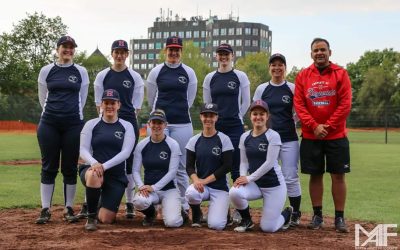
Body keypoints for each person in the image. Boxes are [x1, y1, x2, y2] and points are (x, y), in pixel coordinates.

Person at [294, 38, 352, 233]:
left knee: (338, 176)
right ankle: (317, 215)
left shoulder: (340, 73)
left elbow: (345, 104)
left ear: (330, 52)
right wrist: (313, 126)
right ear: (311, 54)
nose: (319, 53)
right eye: (316, 50)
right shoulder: (303, 75)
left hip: (336, 136)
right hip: (311, 136)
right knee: (315, 175)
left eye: (323, 50)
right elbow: (299, 105)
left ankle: (339, 218)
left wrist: (327, 126)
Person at [83, 39, 144, 219]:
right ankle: (92, 201)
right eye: (116, 52)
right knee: (98, 156)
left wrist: (124, 121)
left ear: (127, 55)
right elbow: (98, 104)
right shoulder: (103, 75)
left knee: (128, 162)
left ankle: (130, 202)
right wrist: (105, 119)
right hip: (106, 120)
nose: (119, 55)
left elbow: (137, 107)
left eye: (123, 52)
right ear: (112, 54)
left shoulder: (135, 76)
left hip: (127, 121)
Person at [36, 35, 89, 224]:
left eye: (71, 47)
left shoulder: (81, 71)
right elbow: (43, 98)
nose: (68, 50)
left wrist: (70, 116)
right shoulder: (46, 70)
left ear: (74, 50)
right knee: (48, 167)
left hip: (73, 125)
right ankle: (45, 209)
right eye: (64, 47)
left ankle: (68, 208)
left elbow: (81, 99)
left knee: (69, 167)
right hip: (49, 124)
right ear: (57, 49)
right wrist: (54, 113)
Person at [146, 36, 197, 219]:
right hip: (160, 123)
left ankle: (183, 205)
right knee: (158, 163)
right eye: (170, 49)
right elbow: (152, 99)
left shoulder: (189, 72)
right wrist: (159, 118)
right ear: (165, 50)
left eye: (177, 49)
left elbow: (189, 100)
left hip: (182, 122)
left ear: (181, 51)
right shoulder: (156, 71)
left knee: (181, 167)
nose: (173, 52)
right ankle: (157, 203)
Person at [203, 43, 250, 223]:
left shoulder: (240, 76)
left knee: (236, 167)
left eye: (226, 54)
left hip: (235, 127)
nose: (223, 57)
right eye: (220, 54)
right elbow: (208, 103)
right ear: (216, 56)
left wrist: (236, 115)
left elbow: (246, 102)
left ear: (232, 56)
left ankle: (239, 208)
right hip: (216, 127)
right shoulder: (210, 78)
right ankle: (220, 208)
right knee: (216, 167)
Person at [253, 53, 302, 227]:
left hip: (289, 137)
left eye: (280, 65)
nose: (277, 68)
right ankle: (272, 210)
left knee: (290, 176)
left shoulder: (292, 88)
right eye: (273, 65)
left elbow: (299, 112)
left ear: (285, 68)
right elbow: (256, 113)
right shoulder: (262, 89)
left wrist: (289, 122)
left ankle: (295, 212)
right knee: (266, 172)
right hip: (268, 140)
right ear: (269, 68)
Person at [229, 100, 293, 233]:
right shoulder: (244, 136)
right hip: (256, 184)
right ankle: (247, 221)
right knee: (235, 192)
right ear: (250, 116)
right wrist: (242, 177)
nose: (258, 117)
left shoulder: (273, 136)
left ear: (267, 116)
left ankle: (286, 215)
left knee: (268, 228)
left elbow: (269, 163)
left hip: (273, 185)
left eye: (262, 114)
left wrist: (249, 178)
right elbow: (244, 162)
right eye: (255, 114)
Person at [79, 89, 135, 231]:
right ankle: (91, 217)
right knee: (93, 174)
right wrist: (94, 163)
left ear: (119, 105)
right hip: (93, 169)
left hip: (116, 175)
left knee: (106, 219)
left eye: (113, 103)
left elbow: (126, 153)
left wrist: (104, 166)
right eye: (106, 103)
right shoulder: (91, 124)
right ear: (101, 105)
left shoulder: (127, 126)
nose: (109, 106)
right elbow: (83, 149)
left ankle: (96, 203)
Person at [185, 103, 234, 230]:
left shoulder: (224, 139)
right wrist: (196, 181)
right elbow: (189, 166)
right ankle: (197, 214)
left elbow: (227, 166)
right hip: (201, 187)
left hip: (220, 187)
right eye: (205, 115)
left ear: (216, 118)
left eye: (211, 115)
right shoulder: (194, 140)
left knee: (216, 225)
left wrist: (204, 181)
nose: (208, 119)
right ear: (201, 117)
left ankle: (223, 212)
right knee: (190, 193)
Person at [132, 109, 183, 227]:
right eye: (154, 122)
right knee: (139, 201)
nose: (156, 126)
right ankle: (151, 214)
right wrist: (141, 186)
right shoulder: (142, 145)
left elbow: (172, 172)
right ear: (149, 124)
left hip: (169, 189)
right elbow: (135, 170)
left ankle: (178, 211)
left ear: (165, 125)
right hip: (148, 190)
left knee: (172, 223)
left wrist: (154, 187)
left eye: (160, 123)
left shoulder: (173, 144)